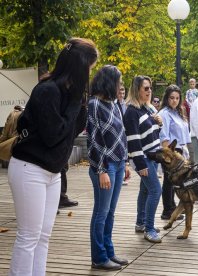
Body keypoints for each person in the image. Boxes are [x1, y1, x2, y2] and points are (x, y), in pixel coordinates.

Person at [7, 38, 98, 276]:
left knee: (43, 237)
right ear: (79, 66)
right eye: (89, 67)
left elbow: (74, 130)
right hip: (30, 168)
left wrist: (79, 102)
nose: (90, 73)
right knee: (28, 236)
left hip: (53, 172)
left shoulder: (69, 94)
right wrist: (76, 104)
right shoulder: (47, 91)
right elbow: (53, 135)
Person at [87, 65, 130, 270]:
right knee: (101, 213)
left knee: (110, 212)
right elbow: (94, 141)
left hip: (119, 163)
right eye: (119, 81)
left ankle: (109, 252)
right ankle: (99, 257)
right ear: (109, 81)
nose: (121, 85)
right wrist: (101, 170)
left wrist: (126, 161)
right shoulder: (94, 103)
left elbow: (121, 134)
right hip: (105, 166)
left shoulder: (114, 103)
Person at [124, 75, 163, 243]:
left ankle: (141, 223)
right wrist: (140, 164)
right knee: (156, 190)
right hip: (143, 157)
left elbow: (152, 133)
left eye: (150, 88)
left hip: (152, 155)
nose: (149, 91)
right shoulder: (132, 111)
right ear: (137, 90)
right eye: (145, 88)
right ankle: (149, 228)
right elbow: (133, 140)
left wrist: (159, 123)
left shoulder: (147, 108)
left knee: (146, 190)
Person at [158, 84, 190, 220]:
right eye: (172, 98)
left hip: (180, 150)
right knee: (168, 180)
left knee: (176, 180)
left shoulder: (178, 112)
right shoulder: (164, 113)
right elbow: (163, 135)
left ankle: (173, 205)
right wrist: (169, 156)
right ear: (167, 98)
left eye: (177, 98)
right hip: (170, 151)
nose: (174, 101)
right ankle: (167, 210)